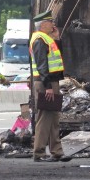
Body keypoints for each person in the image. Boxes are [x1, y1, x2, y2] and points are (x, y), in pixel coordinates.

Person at [30, 11, 66, 162]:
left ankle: (56, 151)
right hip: (46, 82)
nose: (53, 24)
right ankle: (38, 152)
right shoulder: (39, 39)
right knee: (45, 117)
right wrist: (48, 85)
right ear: (43, 24)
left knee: (53, 117)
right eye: (50, 21)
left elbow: (58, 57)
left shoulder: (47, 39)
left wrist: (57, 38)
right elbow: (42, 65)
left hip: (51, 81)